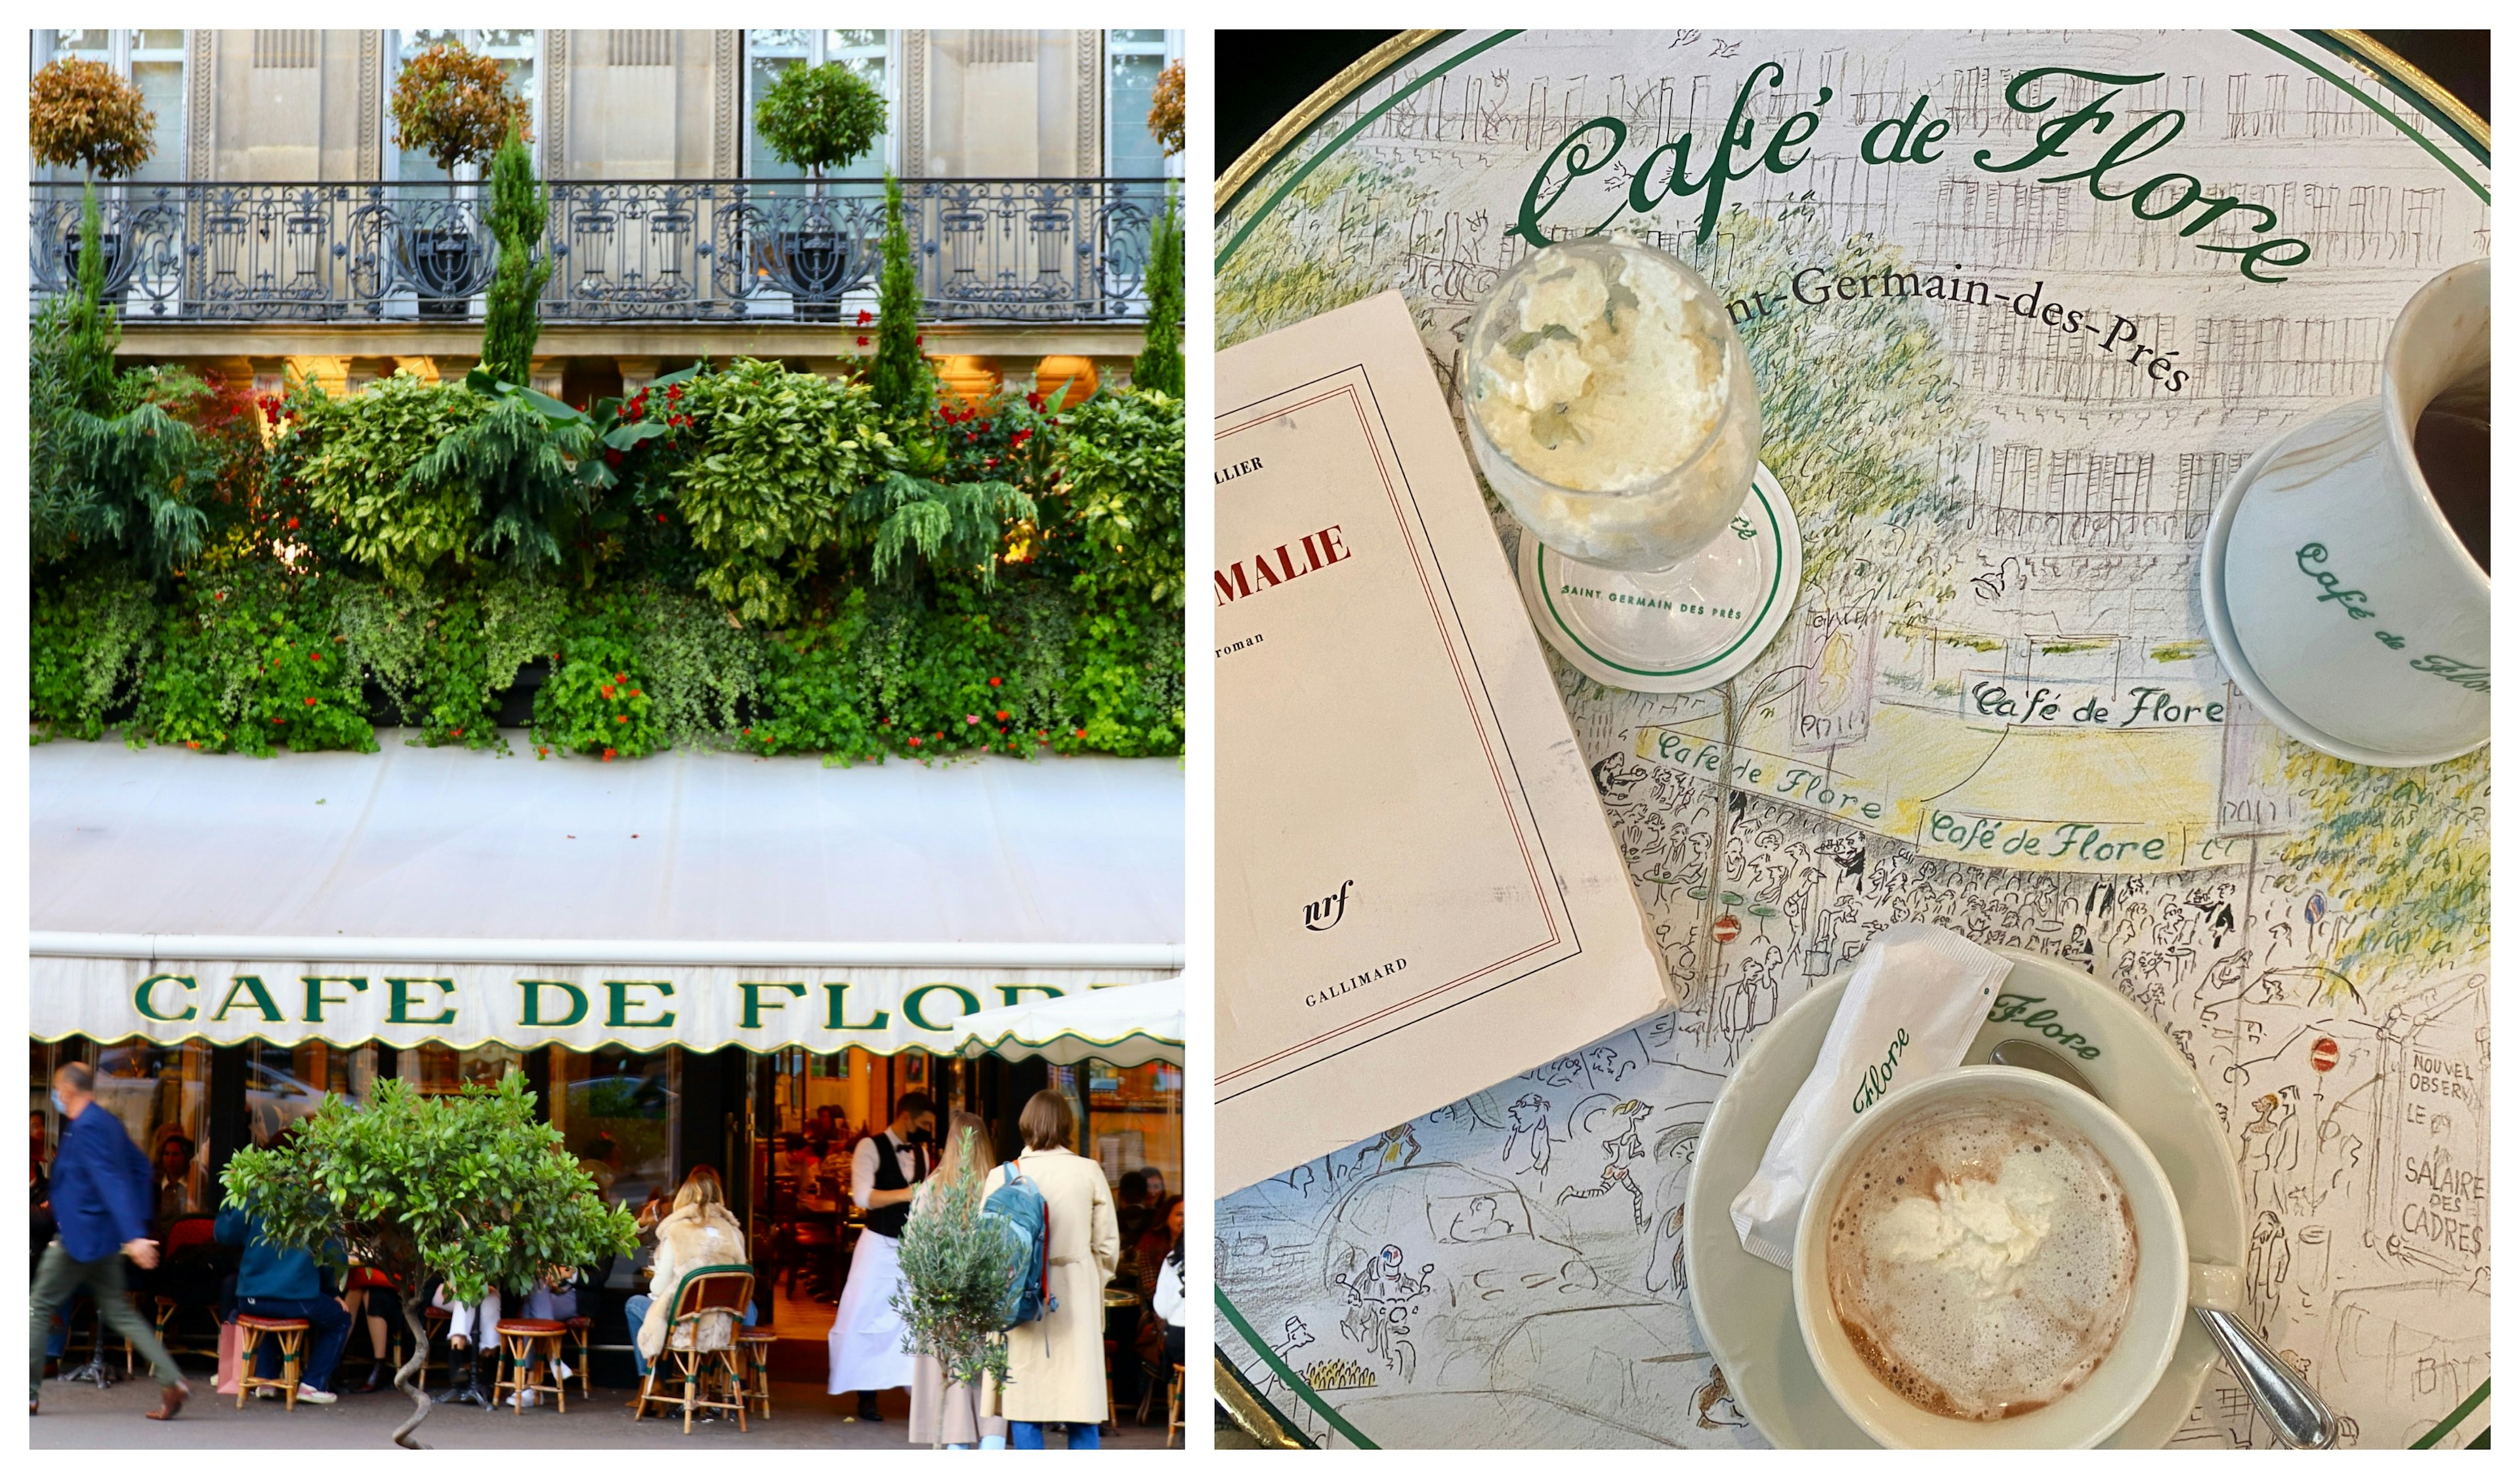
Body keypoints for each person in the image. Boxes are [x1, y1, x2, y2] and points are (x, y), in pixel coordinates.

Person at [30, 1062, 189, 1421]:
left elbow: (109, 1180)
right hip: (98, 1234)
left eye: (58, 1088)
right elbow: (137, 1170)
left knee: (39, 1306)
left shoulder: (85, 1128)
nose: (57, 1094)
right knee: (119, 1311)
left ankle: (27, 1393)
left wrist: (134, 1234)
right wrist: (131, 1227)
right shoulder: (106, 1124)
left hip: (79, 1237)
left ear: (67, 1090)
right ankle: (173, 1380)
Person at [984, 1090, 1119, 1449]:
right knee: (1082, 1409)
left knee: (1025, 1407)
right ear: (1066, 1125)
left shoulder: (1002, 1176)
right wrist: (1091, 1281)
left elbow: (984, 1251)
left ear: (1025, 1124)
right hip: (1076, 1295)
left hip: (1021, 1302)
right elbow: (1107, 1247)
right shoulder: (1088, 1171)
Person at [828, 1092, 935, 1422]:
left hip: (911, 1247)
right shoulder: (869, 1147)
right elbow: (863, 1196)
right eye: (925, 1124)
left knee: (913, 1321)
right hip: (876, 1245)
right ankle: (866, 1396)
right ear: (906, 1117)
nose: (929, 1130)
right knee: (866, 1316)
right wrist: (907, 1193)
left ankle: (919, 1394)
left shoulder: (924, 1153)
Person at [906, 1110, 1007, 1449]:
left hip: (944, 1298)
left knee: (951, 1377)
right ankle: (992, 1445)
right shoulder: (1002, 1186)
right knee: (990, 1377)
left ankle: (956, 1446)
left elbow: (914, 1247)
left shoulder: (932, 1188)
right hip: (991, 1298)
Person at [215, 1173, 351, 1406]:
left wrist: (235, 1193)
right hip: (296, 1298)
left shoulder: (255, 1196)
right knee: (340, 1319)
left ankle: (266, 1379)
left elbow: (223, 1234)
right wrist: (331, 1292)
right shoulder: (316, 1202)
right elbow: (333, 1256)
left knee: (265, 1314)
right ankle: (312, 1384)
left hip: (249, 1298)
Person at [627, 1167, 753, 1389]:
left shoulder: (677, 1231)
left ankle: (652, 1382)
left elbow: (658, 1288)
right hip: (723, 1327)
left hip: (686, 1327)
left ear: (684, 1197)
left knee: (634, 1305)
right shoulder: (734, 1232)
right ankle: (725, 1387)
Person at [150, 1133, 199, 1220]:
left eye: (175, 1155)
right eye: (166, 1154)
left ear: (186, 1158)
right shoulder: (155, 1184)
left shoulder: (195, 1184)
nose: (170, 1159)